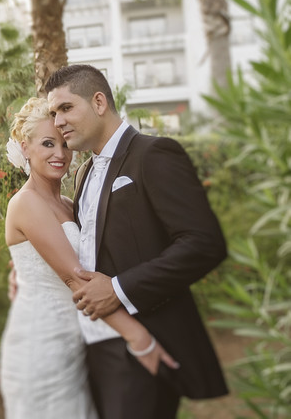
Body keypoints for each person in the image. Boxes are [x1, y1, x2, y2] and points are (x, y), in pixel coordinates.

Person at [44, 64, 228, 418]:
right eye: (53, 113)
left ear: (99, 102)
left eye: (66, 108)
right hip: (94, 342)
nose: (58, 122)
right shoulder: (83, 172)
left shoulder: (154, 154)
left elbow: (203, 243)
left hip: (145, 337)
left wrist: (118, 289)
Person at [0, 97, 177, 419]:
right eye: (47, 144)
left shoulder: (69, 201)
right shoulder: (25, 203)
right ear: (24, 148)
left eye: (65, 144)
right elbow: (75, 278)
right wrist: (139, 337)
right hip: (40, 345)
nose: (60, 154)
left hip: (77, 342)